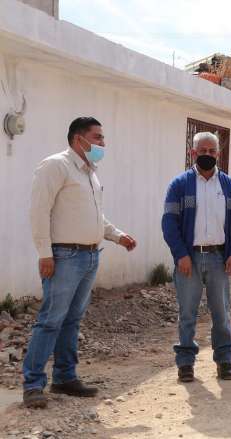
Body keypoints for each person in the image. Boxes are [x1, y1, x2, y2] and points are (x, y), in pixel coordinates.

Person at [24, 117, 137, 409]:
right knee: (50, 321)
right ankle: (34, 384)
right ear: (79, 139)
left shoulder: (90, 172)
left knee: (71, 321)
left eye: (102, 138)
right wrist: (44, 253)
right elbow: (39, 212)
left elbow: (95, 216)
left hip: (89, 255)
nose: (103, 143)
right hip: (64, 257)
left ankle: (64, 377)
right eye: (97, 137)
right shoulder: (55, 166)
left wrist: (117, 236)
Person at [162, 131, 231, 383]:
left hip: (219, 258)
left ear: (218, 154)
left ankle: (224, 361)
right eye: (202, 151)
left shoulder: (229, 187)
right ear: (193, 153)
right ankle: (185, 363)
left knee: (221, 313)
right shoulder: (179, 185)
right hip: (190, 259)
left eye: (212, 151)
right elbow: (169, 223)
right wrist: (181, 255)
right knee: (187, 313)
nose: (207, 155)